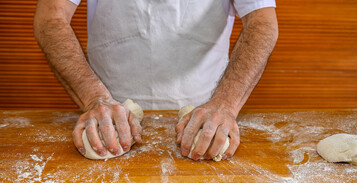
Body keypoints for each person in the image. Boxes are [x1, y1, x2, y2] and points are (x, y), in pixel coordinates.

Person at [33, 0, 278, 160]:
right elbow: (51, 18)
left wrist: (226, 104)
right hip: (106, 113)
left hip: (207, 116)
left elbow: (262, 22)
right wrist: (93, 98)